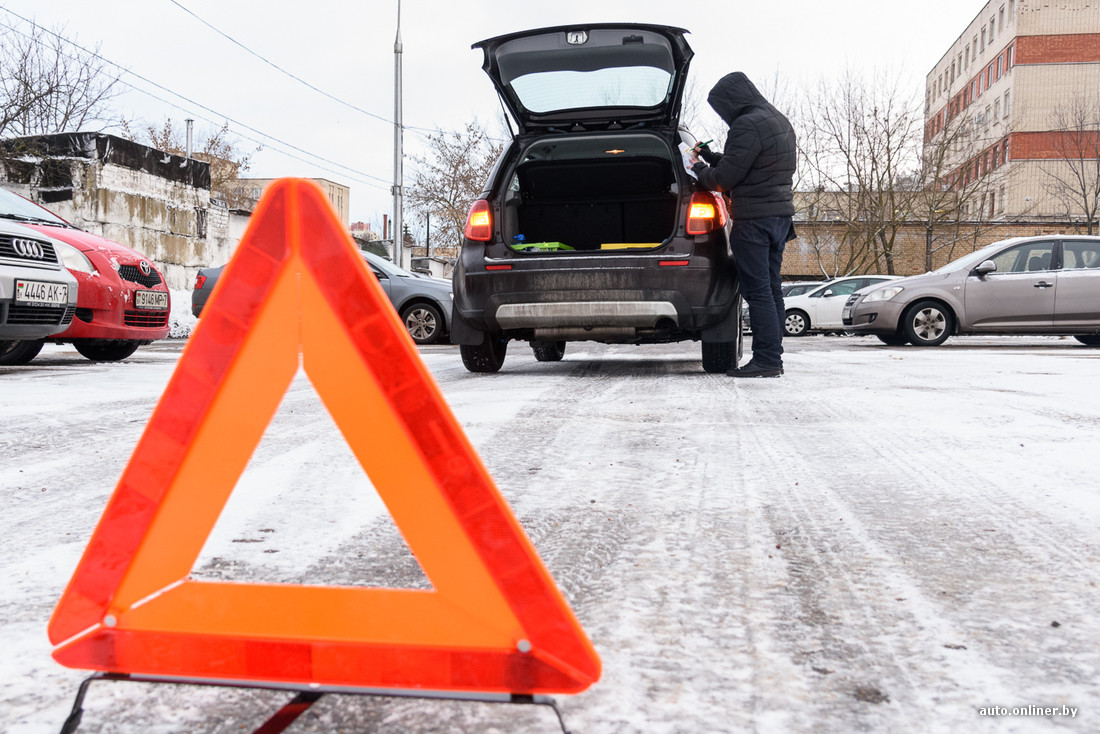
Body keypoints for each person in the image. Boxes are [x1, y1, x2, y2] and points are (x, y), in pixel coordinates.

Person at [689, 72, 797, 378]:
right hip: (778, 217)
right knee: (772, 289)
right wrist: (711, 156)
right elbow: (750, 164)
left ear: (730, 101)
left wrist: (698, 167)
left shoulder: (746, 124)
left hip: (754, 221)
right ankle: (773, 357)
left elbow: (724, 179)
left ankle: (766, 360)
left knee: (758, 291)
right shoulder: (777, 120)